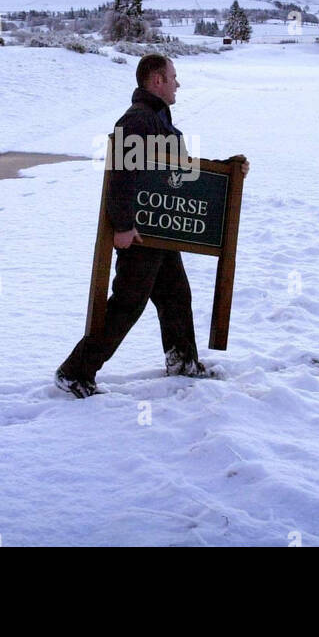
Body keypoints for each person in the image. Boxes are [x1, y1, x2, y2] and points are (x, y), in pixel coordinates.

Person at [55, 54, 250, 398]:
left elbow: (181, 173)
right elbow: (121, 173)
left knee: (175, 296)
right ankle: (76, 372)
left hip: (161, 233)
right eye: (174, 77)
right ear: (157, 80)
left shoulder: (157, 119)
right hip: (142, 233)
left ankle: (183, 362)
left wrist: (228, 171)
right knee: (128, 302)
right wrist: (124, 225)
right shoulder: (137, 121)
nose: (178, 84)